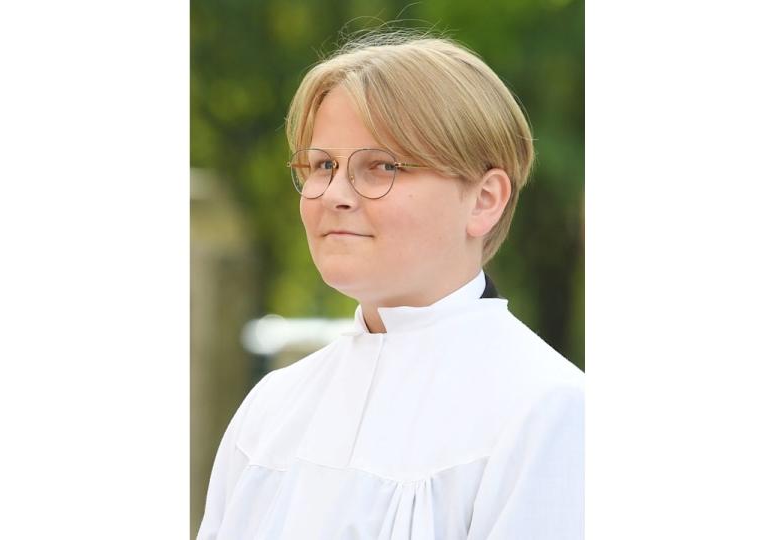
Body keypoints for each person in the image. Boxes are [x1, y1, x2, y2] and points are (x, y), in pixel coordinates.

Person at [198, 31, 584, 540]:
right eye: (322, 165)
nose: (334, 194)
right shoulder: (272, 408)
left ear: (484, 200)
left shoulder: (547, 412)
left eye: (381, 166)